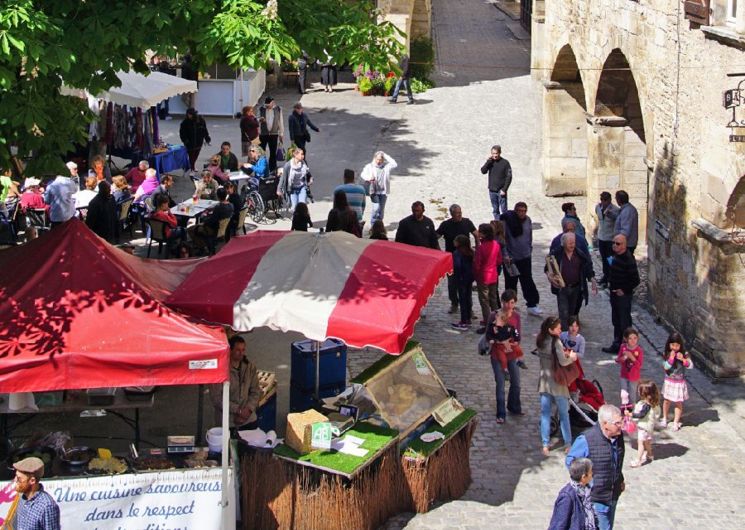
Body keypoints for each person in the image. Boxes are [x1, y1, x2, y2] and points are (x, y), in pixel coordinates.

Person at [566, 404, 626, 530]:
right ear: (605, 424)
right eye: (617, 423)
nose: (621, 426)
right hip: (596, 498)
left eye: (622, 422)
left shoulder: (618, 436)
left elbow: (616, 461)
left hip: (613, 494)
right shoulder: (587, 440)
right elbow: (571, 462)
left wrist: (620, 478)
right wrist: (586, 481)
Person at [537, 316, 576, 454]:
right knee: (564, 415)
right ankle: (568, 443)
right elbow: (563, 362)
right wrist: (571, 357)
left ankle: (545, 444)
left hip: (544, 382)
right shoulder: (556, 343)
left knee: (545, 414)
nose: (560, 330)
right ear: (551, 330)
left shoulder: (540, 340)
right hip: (557, 383)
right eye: (558, 328)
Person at [209, 335, 261, 432]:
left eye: (243, 350)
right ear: (230, 350)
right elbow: (216, 398)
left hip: (248, 418)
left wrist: (248, 410)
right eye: (238, 350)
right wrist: (238, 410)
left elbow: (255, 391)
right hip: (227, 421)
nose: (241, 353)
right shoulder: (220, 369)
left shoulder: (250, 367)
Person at [486, 290, 523, 423]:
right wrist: (499, 341)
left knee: (516, 383)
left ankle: (514, 406)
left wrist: (513, 343)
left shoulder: (516, 317)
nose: (508, 305)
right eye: (506, 302)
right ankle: (501, 413)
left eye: (511, 302)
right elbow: (488, 335)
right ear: (502, 302)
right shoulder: (493, 315)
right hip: (497, 354)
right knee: (500, 384)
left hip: (512, 354)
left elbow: (519, 337)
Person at [546, 232, 597, 329]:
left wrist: (592, 279)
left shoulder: (580, 254)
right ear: (563, 243)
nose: (572, 245)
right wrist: (550, 277)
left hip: (576, 288)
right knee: (563, 314)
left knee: (572, 313)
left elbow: (587, 268)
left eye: (573, 242)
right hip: (562, 288)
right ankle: (564, 335)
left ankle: (570, 334)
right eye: (569, 243)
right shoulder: (556, 254)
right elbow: (547, 267)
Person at [501, 202, 543, 316]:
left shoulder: (528, 220)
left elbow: (529, 235)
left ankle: (532, 305)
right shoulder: (506, 222)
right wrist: (505, 255)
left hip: (525, 256)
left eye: (524, 211)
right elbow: (502, 239)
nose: (522, 213)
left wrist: (529, 249)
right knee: (511, 283)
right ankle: (510, 307)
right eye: (519, 211)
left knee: (527, 281)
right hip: (511, 258)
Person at [437, 204, 479, 315]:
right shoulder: (446, 225)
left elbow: (476, 233)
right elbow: (436, 236)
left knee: (467, 284)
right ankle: (454, 303)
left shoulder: (467, 222)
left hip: (466, 257)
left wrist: (477, 247)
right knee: (452, 284)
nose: (459, 215)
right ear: (451, 214)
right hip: (451, 258)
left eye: (460, 213)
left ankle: (469, 308)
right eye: (457, 213)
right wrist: (438, 251)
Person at [601, 234, 640, 354]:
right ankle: (617, 344)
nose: (614, 245)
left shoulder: (628, 259)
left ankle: (628, 347)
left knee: (624, 322)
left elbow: (635, 280)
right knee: (616, 320)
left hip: (623, 296)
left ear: (624, 245)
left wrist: (624, 290)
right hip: (614, 294)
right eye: (614, 243)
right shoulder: (615, 256)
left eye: (617, 243)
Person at [6, 457, 60, 530]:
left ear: (32, 481)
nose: (15, 480)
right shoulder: (22, 497)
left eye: (19, 479)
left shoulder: (47, 506)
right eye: (16, 476)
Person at [548, 458, 596, 530]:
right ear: (583, 477)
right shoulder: (567, 496)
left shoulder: (586, 491)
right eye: (591, 472)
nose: (592, 474)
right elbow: (558, 525)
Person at [661, 331, 693, 431]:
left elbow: (690, 366)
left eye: (677, 345)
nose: (674, 347)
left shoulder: (685, 354)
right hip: (669, 381)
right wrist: (670, 359)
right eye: (672, 345)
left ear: (680, 345)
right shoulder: (666, 353)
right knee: (667, 401)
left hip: (679, 382)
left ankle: (676, 421)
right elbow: (665, 367)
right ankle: (665, 418)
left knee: (678, 402)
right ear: (669, 344)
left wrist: (683, 359)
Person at [474, 223, 502, 333]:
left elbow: (477, 264)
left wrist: (475, 275)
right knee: (493, 300)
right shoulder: (496, 244)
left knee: (484, 301)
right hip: (493, 275)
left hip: (483, 276)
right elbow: (499, 260)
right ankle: (496, 322)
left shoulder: (481, 248)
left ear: (484, 234)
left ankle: (487, 324)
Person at [189, 188, 234, 254]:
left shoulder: (218, 207)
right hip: (224, 228)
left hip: (214, 229)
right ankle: (204, 245)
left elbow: (211, 221)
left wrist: (204, 221)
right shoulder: (231, 205)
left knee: (191, 229)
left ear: (218, 196)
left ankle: (202, 248)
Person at [627, 380, 660, 468]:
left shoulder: (646, 405)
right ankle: (650, 455)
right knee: (647, 442)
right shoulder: (654, 403)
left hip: (644, 427)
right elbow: (656, 414)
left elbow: (641, 415)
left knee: (640, 443)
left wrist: (631, 414)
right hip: (649, 427)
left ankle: (638, 460)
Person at [360, 151, 397, 223]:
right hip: (374, 191)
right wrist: (369, 178)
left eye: (380, 160)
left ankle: (379, 225)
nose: (378, 161)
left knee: (381, 209)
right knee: (376, 207)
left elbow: (394, 164)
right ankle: (373, 225)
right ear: (374, 158)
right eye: (377, 159)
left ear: (383, 160)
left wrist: (385, 155)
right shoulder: (370, 166)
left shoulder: (386, 166)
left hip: (383, 191)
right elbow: (362, 174)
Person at [593, 191, 619, 287]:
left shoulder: (615, 210)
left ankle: (612, 276)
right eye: (602, 200)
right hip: (601, 237)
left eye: (605, 200)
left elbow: (617, 220)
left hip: (610, 238)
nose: (604, 202)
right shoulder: (598, 208)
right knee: (604, 258)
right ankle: (605, 276)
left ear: (609, 200)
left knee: (610, 258)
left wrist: (611, 215)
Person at [481, 145, 512, 219]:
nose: (494, 155)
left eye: (496, 153)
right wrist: (488, 162)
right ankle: (497, 226)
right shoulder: (490, 162)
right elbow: (483, 171)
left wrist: (504, 189)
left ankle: (505, 226)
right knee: (495, 210)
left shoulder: (505, 163)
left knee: (504, 210)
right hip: (492, 190)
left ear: (500, 153)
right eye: (493, 153)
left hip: (501, 190)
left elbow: (509, 177)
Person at [451, 234, 475, 331]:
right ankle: (468, 318)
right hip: (469, 278)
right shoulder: (471, 252)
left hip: (461, 278)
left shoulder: (457, 253)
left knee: (462, 299)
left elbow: (457, 265)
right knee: (468, 298)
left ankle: (464, 321)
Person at [615, 328, 643, 409]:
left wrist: (632, 357)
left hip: (634, 376)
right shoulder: (623, 347)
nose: (633, 340)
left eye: (635, 338)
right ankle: (624, 408)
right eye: (630, 338)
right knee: (624, 393)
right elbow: (618, 360)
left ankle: (633, 409)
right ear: (626, 339)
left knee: (632, 393)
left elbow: (639, 365)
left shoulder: (639, 350)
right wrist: (622, 358)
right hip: (624, 375)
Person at [278, 147, 312, 212]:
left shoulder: (303, 163)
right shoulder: (288, 165)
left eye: (303, 154)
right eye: (301, 154)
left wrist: (310, 178)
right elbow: (283, 178)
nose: (303, 156)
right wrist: (279, 189)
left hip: (302, 187)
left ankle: (303, 220)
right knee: (295, 207)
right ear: (295, 155)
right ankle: (295, 219)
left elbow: (307, 172)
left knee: (302, 206)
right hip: (292, 189)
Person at [180, 108, 211, 173]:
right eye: (188, 114)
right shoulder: (184, 122)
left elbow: (204, 130)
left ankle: (192, 165)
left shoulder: (201, 120)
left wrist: (207, 138)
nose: (189, 116)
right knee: (191, 155)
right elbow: (182, 133)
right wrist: (185, 141)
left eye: (190, 114)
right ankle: (192, 168)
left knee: (196, 155)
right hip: (189, 143)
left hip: (199, 141)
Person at [258, 96, 284, 172]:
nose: (267, 107)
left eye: (268, 105)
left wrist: (281, 134)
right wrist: (259, 120)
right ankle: (262, 168)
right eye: (266, 105)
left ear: (273, 103)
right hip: (263, 134)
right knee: (261, 152)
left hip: (274, 134)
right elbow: (256, 119)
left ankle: (272, 169)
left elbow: (280, 122)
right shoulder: (261, 109)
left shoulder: (278, 109)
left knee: (273, 152)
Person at [614, 190, 639, 255]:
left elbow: (625, 231)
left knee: (623, 263)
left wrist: (618, 244)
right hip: (625, 244)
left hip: (626, 245)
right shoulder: (625, 209)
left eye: (616, 198)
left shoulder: (627, 211)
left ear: (619, 200)